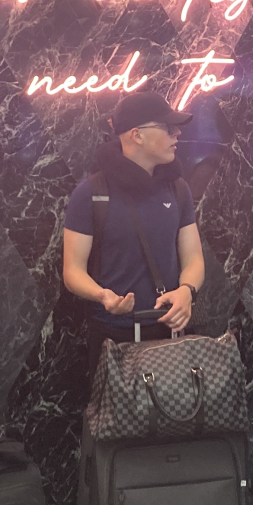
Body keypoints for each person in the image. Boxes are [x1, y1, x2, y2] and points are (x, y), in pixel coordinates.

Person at [62, 92, 204, 376]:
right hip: (113, 339)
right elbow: (72, 271)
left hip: (168, 333)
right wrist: (102, 296)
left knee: (177, 406)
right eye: (167, 127)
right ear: (137, 135)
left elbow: (194, 258)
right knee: (115, 407)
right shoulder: (92, 193)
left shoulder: (177, 189)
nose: (177, 134)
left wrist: (186, 291)